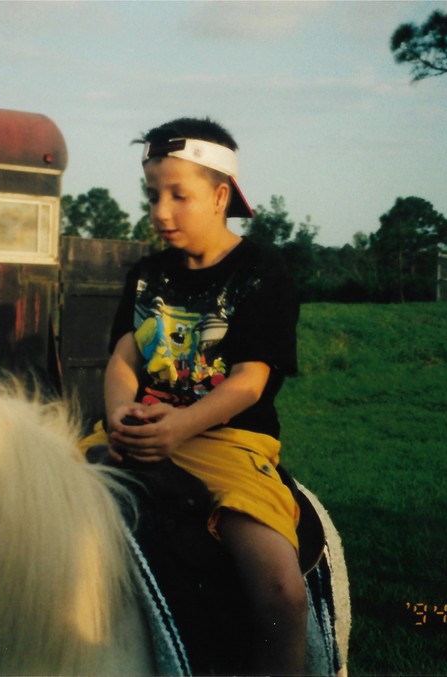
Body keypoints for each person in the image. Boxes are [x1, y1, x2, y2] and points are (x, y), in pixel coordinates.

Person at [81, 117, 305, 673]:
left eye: (178, 195)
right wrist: (118, 419)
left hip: (227, 442)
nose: (160, 210)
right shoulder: (147, 274)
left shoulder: (261, 270)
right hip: (138, 432)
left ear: (219, 196)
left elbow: (249, 381)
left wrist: (179, 428)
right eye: (153, 194)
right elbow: (123, 360)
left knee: (282, 594)